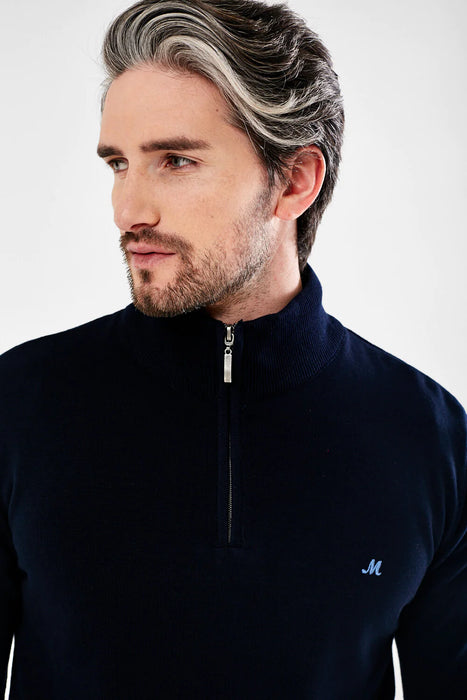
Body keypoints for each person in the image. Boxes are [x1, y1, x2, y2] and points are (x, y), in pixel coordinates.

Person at [0, 0, 466, 697]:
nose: (128, 210)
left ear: (294, 181)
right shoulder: (20, 404)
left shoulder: (426, 434)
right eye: (119, 163)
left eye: (175, 160)